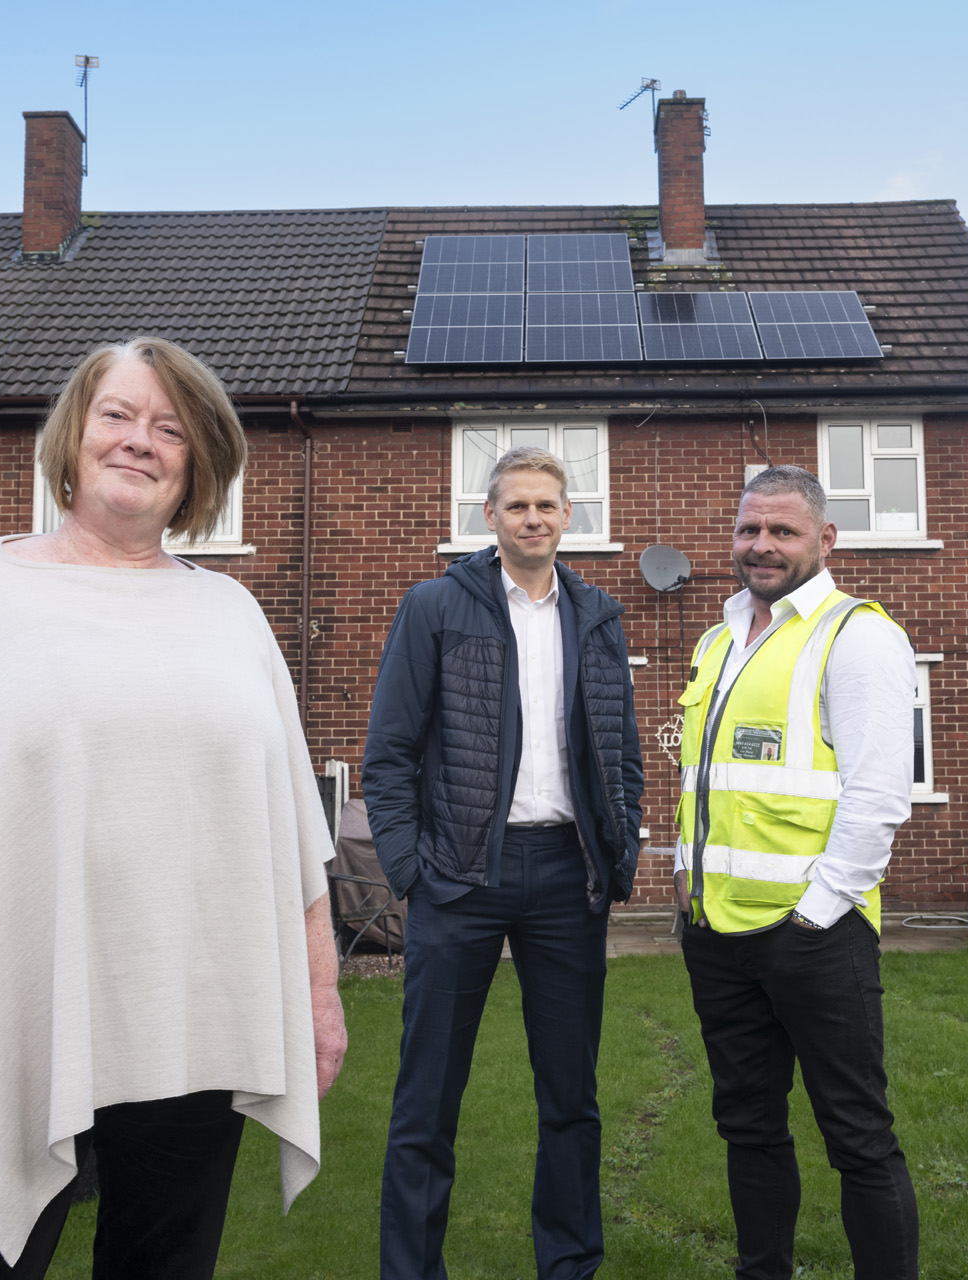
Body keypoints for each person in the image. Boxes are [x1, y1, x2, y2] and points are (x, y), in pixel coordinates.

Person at [0, 336, 347, 1279]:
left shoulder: (232, 616)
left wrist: (318, 993)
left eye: (171, 430)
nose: (141, 441)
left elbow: (292, 837)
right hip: (16, 1015)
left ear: (198, 466)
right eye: (119, 415)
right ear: (73, 437)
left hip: (198, 1021)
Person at [365, 445, 644, 1280]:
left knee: (571, 1098)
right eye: (517, 505)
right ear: (489, 516)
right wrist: (413, 870)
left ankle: (570, 1265)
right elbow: (388, 755)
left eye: (548, 506)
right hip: (460, 880)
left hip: (567, 879)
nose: (533, 518)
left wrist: (618, 853)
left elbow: (621, 751)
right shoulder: (435, 606)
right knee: (427, 1100)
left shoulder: (597, 615)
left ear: (569, 518)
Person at [674, 464, 920, 1280]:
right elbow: (706, 781)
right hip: (716, 932)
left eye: (782, 531)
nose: (762, 545)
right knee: (747, 1125)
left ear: (825, 539)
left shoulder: (857, 634)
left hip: (814, 934)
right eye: (749, 530)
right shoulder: (719, 637)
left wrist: (816, 912)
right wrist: (686, 889)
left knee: (857, 1135)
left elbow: (878, 794)